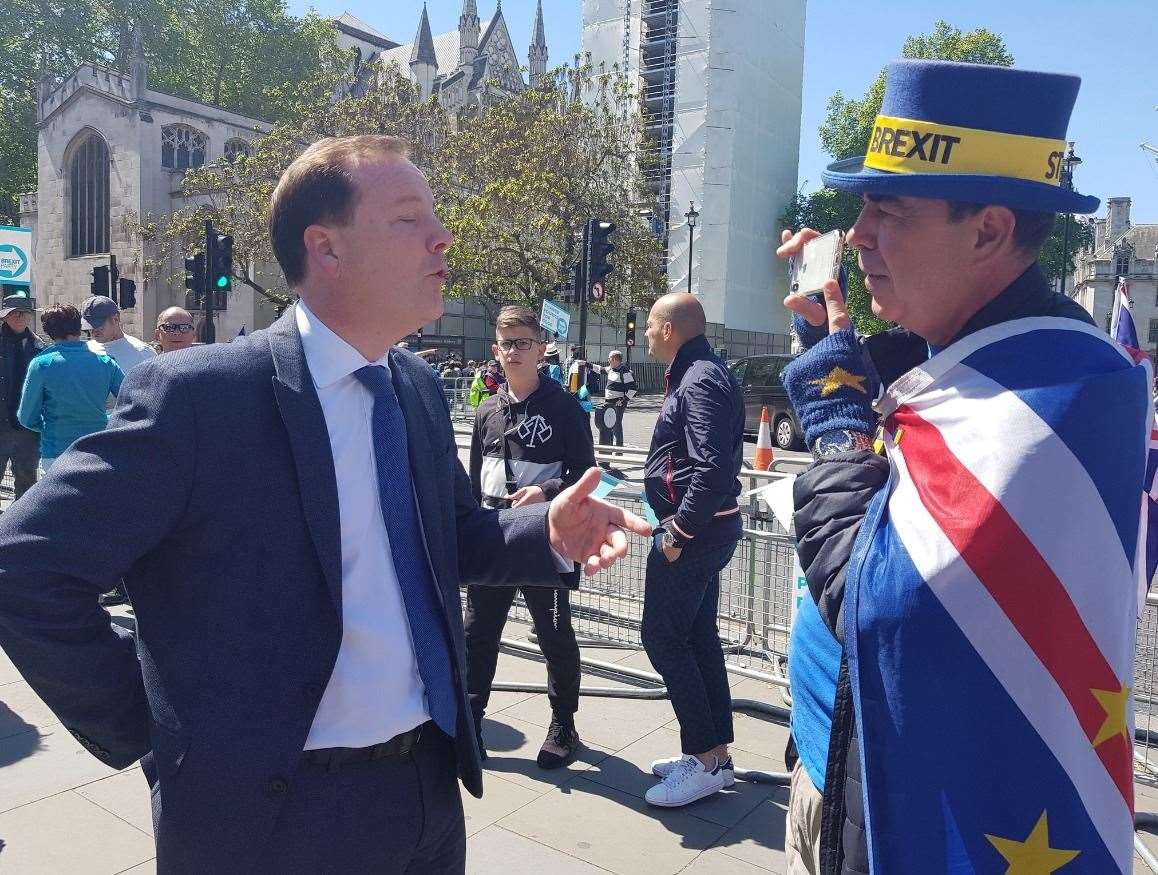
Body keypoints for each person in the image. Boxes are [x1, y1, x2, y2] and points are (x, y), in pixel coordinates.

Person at [0, 135, 650, 873]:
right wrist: (151, 726)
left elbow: (453, 536)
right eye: (410, 218)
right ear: (326, 248)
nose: (443, 236)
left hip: (427, 796)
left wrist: (547, 531)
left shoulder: (416, 389)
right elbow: (24, 567)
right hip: (275, 822)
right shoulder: (201, 398)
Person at [778, 61, 1148, 874]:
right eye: (861, 205)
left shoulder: (1053, 395)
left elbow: (869, 595)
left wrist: (836, 408)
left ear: (985, 230)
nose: (859, 233)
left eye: (888, 208)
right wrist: (833, 338)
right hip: (854, 777)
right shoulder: (971, 358)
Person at [465, 305, 595, 769]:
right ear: (495, 351)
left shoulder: (564, 408)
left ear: (541, 349)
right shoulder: (486, 411)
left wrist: (548, 490)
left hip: (547, 544)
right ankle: (471, 720)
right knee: (477, 635)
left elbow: (590, 474)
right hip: (493, 542)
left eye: (523, 342)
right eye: (506, 343)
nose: (514, 351)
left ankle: (564, 724)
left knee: (554, 636)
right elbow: (475, 480)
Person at [640, 292, 744, 808]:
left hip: (693, 538)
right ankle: (716, 756)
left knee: (662, 637)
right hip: (706, 533)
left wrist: (679, 533)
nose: (644, 334)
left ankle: (703, 759)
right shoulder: (700, 371)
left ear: (669, 329)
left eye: (650, 325)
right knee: (697, 635)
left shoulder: (699, 378)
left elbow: (712, 471)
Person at [16, 303, 123, 474]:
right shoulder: (106, 362)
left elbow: (26, 417)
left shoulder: (41, 364)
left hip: (57, 452)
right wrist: (106, 419)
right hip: (97, 450)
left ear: (48, 331)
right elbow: (130, 398)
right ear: (79, 327)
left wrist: (47, 425)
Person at [0, 291, 44, 499]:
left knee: (27, 486)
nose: (19, 317)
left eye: (24, 313)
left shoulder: (39, 347)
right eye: (13, 313)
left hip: (27, 429)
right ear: (4, 316)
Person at [83, 295, 157, 373]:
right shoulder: (85, 350)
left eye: (98, 325)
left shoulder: (143, 353)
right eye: (89, 326)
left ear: (116, 319)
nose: (94, 331)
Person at [591, 349, 637, 450]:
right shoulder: (611, 369)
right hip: (608, 402)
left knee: (616, 426)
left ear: (615, 359)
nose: (608, 360)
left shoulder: (624, 371)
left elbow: (633, 389)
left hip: (618, 403)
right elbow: (600, 369)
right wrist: (586, 364)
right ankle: (610, 448)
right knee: (608, 426)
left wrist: (623, 400)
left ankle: (619, 450)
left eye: (609, 358)